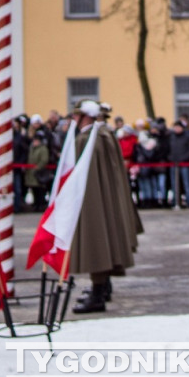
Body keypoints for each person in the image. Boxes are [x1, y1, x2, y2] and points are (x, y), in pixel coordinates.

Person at [70, 100, 142, 313]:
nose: (74, 119)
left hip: (95, 201)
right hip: (103, 198)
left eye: (77, 115)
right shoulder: (101, 135)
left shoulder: (88, 139)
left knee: (97, 243)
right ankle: (100, 288)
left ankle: (98, 292)